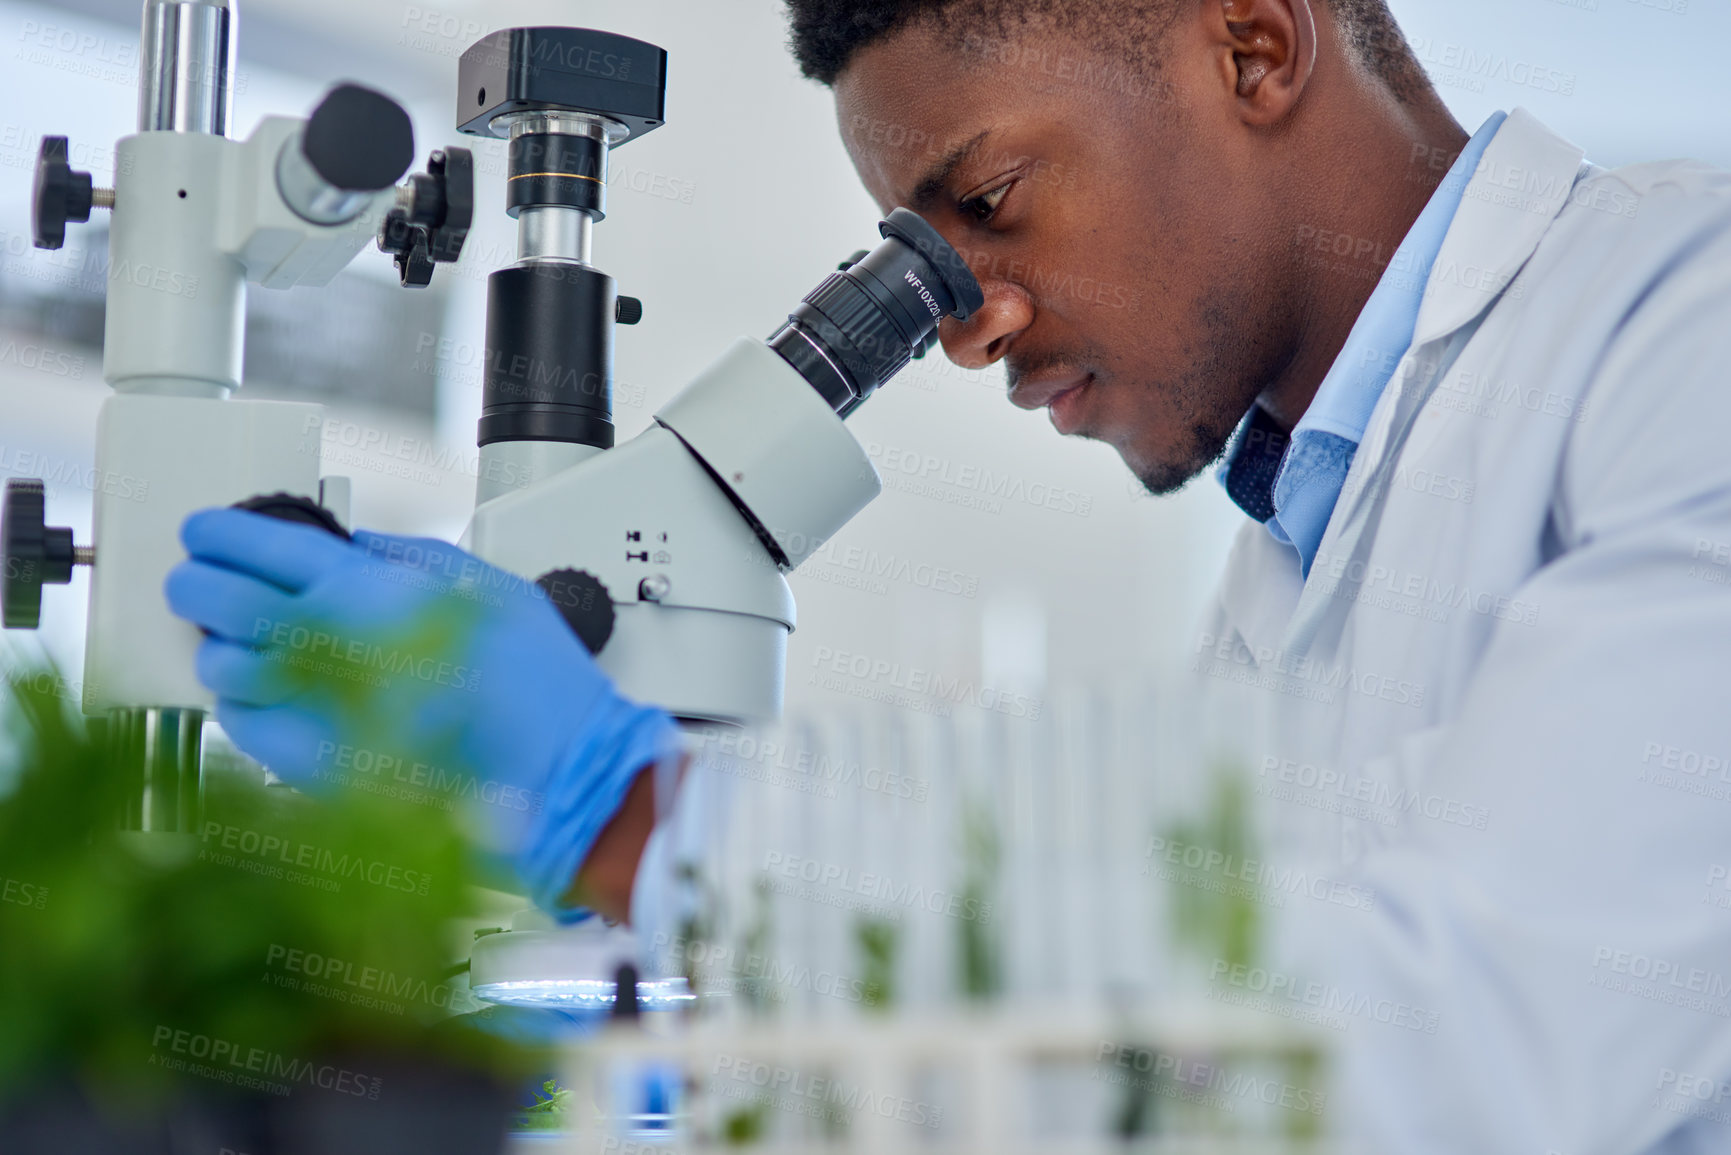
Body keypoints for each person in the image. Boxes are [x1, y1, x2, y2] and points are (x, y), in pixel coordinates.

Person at [167, 0, 1731, 1149]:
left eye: (983, 206)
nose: (967, 323)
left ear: (1252, 47)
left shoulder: (1683, 323)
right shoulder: (1288, 559)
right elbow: (1173, 998)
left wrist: (638, 815)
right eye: (920, 257)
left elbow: (1500, 1036)